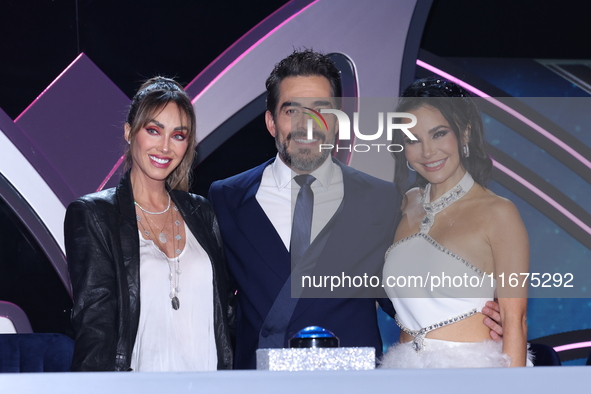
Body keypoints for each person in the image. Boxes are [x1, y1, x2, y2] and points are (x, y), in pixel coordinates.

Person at [208, 50, 504, 369]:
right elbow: (210, 302)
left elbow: (404, 291)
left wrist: (477, 315)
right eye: (292, 110)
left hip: (354, 381)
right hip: (260, 384)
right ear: (271, 122)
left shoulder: (383, 199)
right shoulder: (227, 198)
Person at [65, 77, 234, 371]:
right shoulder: (94, 215)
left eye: (178, 136)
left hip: (210, 385)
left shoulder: (202, 212)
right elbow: (95, 328)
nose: (165, 147)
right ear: (130, 133)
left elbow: (227, 316)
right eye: (154, 130)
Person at [380, 77, 531, 368]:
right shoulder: (403, 205)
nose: (427, 151)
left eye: (438, 134)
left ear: (464, 133)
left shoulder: (499, 213)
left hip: (473, 376)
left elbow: (516, 322)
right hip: (402, 375)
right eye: (413, 140)